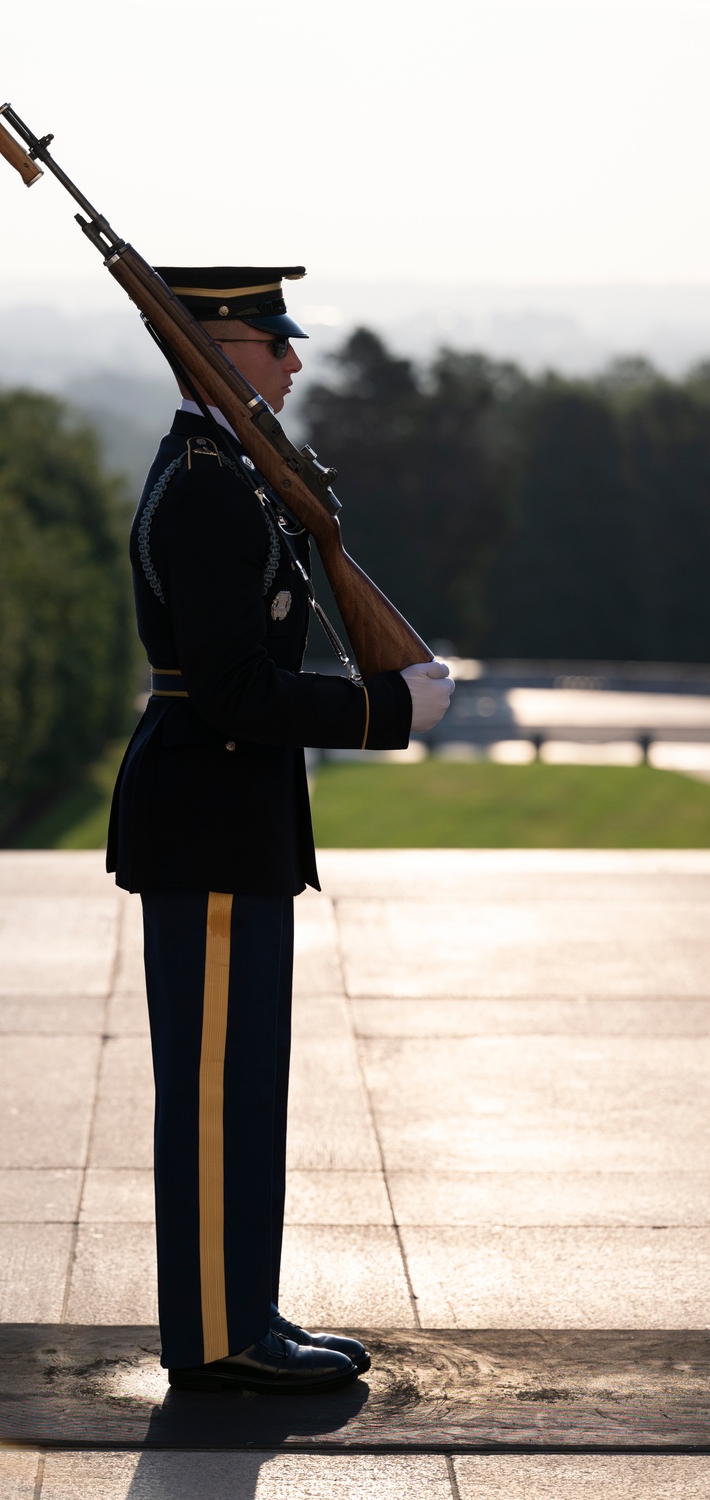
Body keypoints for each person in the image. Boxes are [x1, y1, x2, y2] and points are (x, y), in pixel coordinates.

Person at [106, 266, 453, 1394]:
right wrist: (382, 710)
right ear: (211, 347)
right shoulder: (207, 486)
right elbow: (231, 692)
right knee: (215, 1094)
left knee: (243, 1084)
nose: (293, 362)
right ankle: (217, 1335)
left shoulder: (236, 476)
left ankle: (240, 1309)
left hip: (229, 820)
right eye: (271, 342)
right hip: (208, 819)